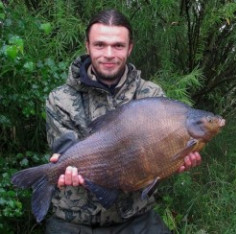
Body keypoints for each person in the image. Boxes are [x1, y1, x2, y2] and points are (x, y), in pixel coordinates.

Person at [45, 9, 201, 234]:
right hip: (74, 219)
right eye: (100, 45)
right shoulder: (60, 99)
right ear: (87, 46)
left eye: (118, 46)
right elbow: (66, 152)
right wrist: (65, 167)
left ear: (129, 49)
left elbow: (158, 160)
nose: (109, 53)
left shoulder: (152, 95)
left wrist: (176, 159)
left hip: (136, 217)